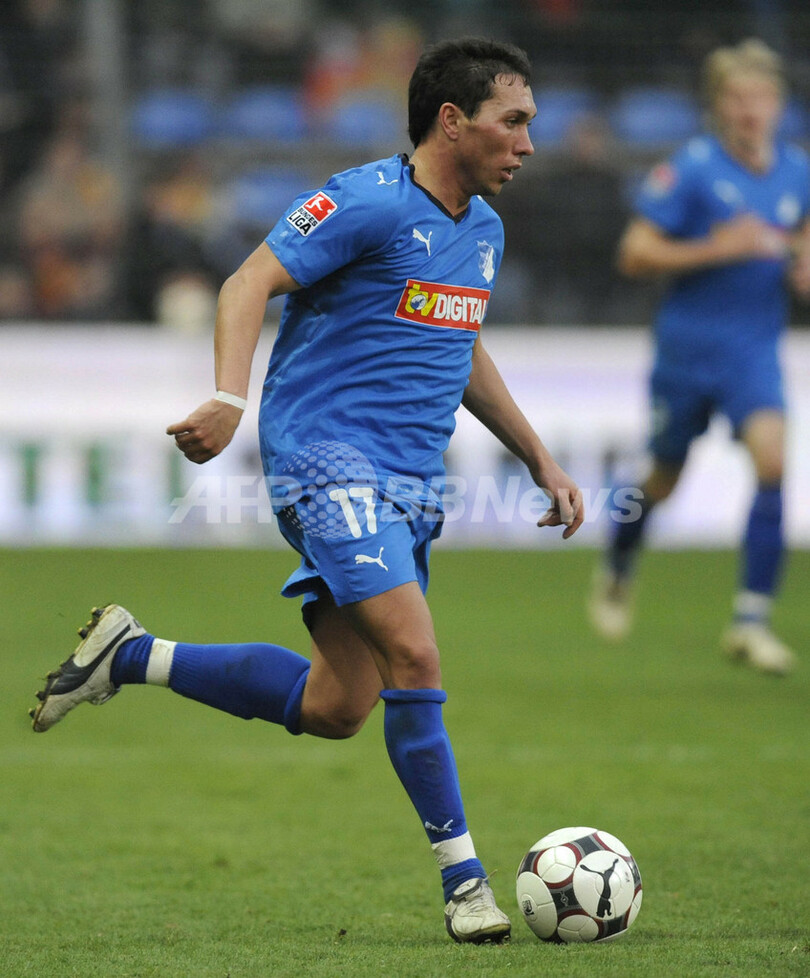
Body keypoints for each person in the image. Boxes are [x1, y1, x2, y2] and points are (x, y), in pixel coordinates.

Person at [30, 38, 584, 943]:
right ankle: (466, 887)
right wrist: (227, 399)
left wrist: (539, 458)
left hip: (412, 484)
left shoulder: (482, 231)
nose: (527, 143)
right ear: (453, 121)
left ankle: (129, 656)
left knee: (336, 707)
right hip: (327, 463)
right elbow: (248, 280)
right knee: (417, 657)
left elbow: (461, 345)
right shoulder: (364, 201)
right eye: (513, 121)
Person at [588, 39, 810, 674]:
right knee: (662, 481)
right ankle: (619, 560)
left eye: (761, 96)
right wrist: (718, 248)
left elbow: (801, 239)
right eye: (737, 97)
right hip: (686, 351)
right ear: (718, 106)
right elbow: (634, 252)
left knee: (773, 460)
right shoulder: (690, 169)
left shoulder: (797, 171)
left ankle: (751, 621)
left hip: (753, 351)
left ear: (779, 104)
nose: (750, 109)